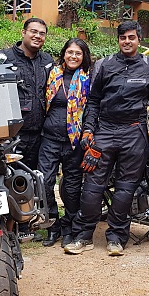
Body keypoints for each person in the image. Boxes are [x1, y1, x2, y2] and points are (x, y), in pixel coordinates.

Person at [64, 21, 149, 256]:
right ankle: (83, 236)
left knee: (126, 189)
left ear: (139, 39)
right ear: (118, 40)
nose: (127, 41)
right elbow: (93, 101)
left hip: (134, 133)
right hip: (104, 131)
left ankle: (116, 237)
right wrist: (89, 130)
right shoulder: (103, 65)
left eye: (131, 37)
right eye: (123, 37)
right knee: (92, 188)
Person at [0, 17, 53, 242]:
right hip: (11, 134)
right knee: (8, 179)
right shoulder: (2, 59)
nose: (37, 36)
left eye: (42, 33)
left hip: (40, 132)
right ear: (23, 32)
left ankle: (26, 224)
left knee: (32, 180)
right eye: (33, 32)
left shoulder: (47, 61)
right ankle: (5, 225)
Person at [37, 38, 92, 247]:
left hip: (74, 143)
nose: (73, 56)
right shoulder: (52, 74)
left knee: (71, 187)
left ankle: (69, 226)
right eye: (70, 52)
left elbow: (91, 110)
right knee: (44, 183)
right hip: (49, 139)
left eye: (78, 53)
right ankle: (53, 225)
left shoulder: (88, 79)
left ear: (83, 56)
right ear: (64, 53)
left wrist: (88, 132)